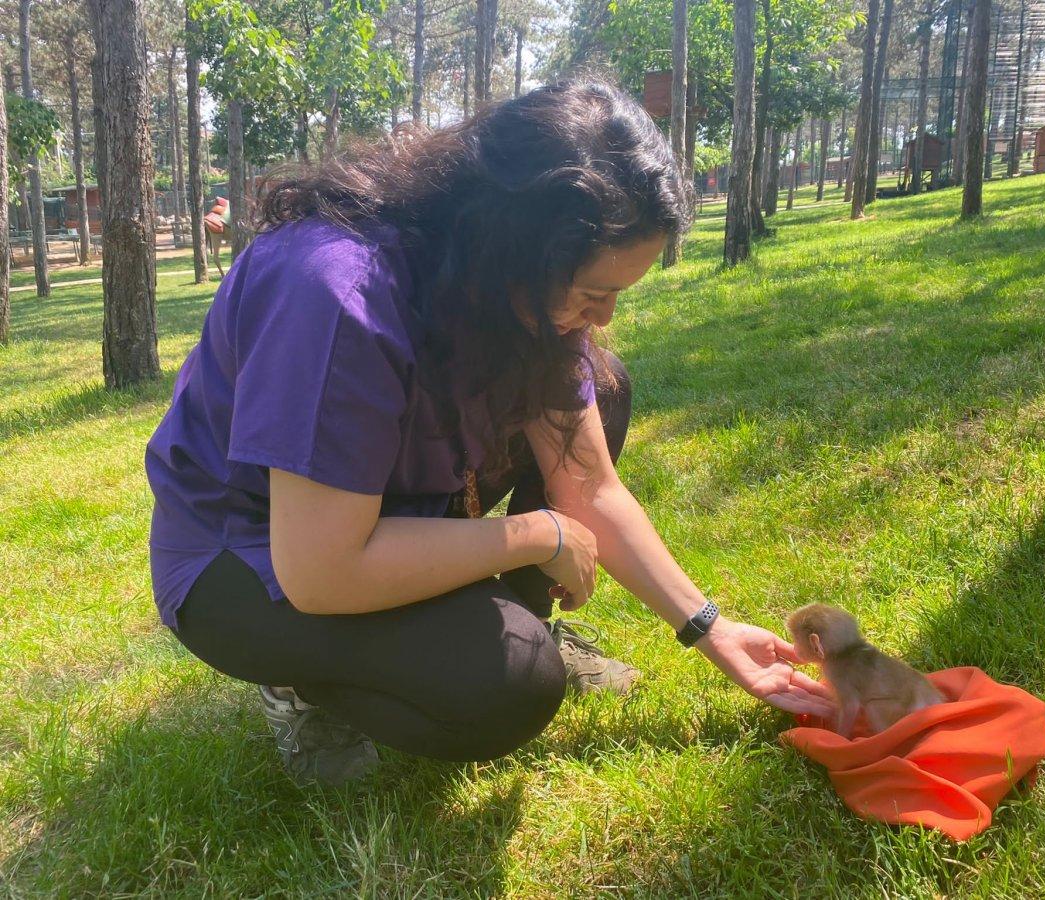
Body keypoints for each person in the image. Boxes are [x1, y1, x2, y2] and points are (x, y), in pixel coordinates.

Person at [144, 79, 834, 786]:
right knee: (510, 686)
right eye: (593, 293)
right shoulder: (335, 295)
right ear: (512, 246)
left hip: (381, 519)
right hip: (250, 555)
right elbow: (322, 569)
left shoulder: (508, 287)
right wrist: (539, 534)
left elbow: (590, 486)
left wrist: (711, 628)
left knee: (604, 386)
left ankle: (519, 618)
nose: (604, 317)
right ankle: (301, 681)